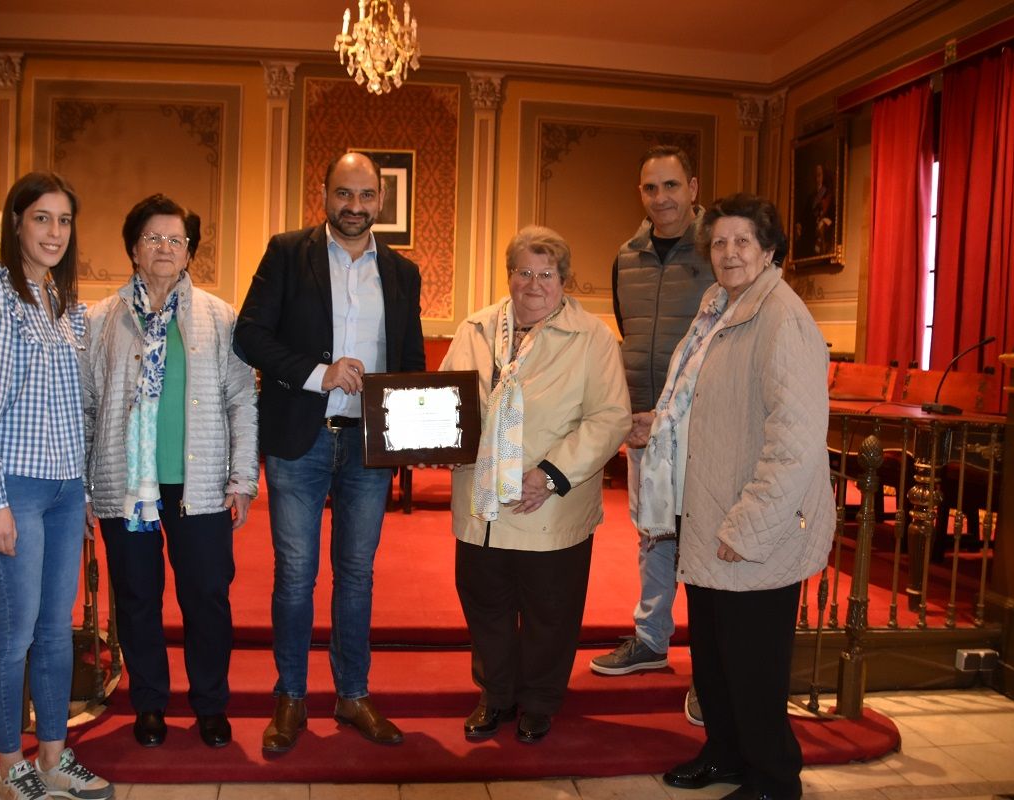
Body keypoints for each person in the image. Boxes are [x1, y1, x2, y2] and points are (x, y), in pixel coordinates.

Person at [0, 172, 114, 800]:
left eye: (64, 221)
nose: (54, 232)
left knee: (57, 630)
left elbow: (74, 408)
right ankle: (12, 768)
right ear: (16, 224)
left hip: (63, 490)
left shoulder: (61, 304)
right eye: (41, 218)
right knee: (15, 634)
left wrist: (83, 488)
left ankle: (55, 758)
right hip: (10, 488)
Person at [234, 151, 425, 753]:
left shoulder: (401, 272)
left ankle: (353, 695)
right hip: (300, 438)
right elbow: (250, 336)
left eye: (366, 196)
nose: (354, 207)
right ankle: (291, 698)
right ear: (324, 193)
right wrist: (319, 373)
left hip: (367, 448)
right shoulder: (287, 253)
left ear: (381, 202)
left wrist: (416, 433)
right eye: (344, 194)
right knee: (295, 576)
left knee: (357, 576)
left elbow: (412, 360)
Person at [649, 194, 834, 800]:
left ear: (769, 249)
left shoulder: (784, 318)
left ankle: (772, 778)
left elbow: (797, 441)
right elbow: (703, 400)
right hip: (707, 510)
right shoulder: (721, 308)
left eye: (742, 242)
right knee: (715, 658)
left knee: (753, 667)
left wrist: (749, 524)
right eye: (720, 242)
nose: (729, 253)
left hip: (753, 525)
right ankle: (725, 753)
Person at [81, 194, 258, 750]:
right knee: (135, 597)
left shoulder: (219, 315)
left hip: (199, 484)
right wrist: (87, 485)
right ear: (133, 248)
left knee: (207, 594)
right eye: (152, 238)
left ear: (189, 253)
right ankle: (150, 704)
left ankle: (210, 704)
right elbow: (86, 405)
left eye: (175, 240)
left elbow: (240, 402)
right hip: (126, 483)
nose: (164, 248)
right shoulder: (100, 319)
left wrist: (242, 478)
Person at [442, 225, 631, 743]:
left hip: (548, 505)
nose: (533, 283)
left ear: (564, 280)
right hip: (482, 505)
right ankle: (496, 695)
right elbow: (445, 400)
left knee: (551, 611)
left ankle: (541, 701)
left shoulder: (591, 337)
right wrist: (432, 443)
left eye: (546, 273)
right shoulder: (476, 329)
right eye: (523, 271)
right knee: (487, 605)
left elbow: (610, 417)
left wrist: (550, 475)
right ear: (509, 275)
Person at [591, 145, 715, 727]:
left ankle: (713, 668)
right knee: (653, 532)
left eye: (671, 186)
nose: (661, 198)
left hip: (705, 423)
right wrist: (639, 410)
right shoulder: (627, 257)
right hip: (645, 421)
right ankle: (650, 637)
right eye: (650, 189)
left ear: (693, 187)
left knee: (707, 538)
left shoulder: (719, 251)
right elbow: (629, 331)